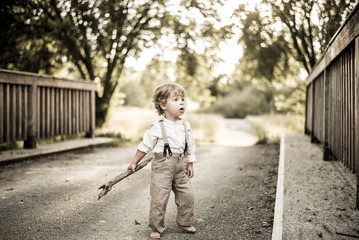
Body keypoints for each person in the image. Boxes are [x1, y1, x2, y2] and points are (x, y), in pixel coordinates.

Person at [127, 83, 196, 239]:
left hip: (181, 164)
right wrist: (134, 162)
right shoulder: (157, 127)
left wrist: (190, 163)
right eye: (176, 99)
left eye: (183, 99)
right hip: (162, 166)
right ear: (163, 104)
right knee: (159, 197)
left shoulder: (186, 125)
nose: (181, 103)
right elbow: (144, 146)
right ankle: (156, 227)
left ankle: (185, 221)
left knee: (187, 195)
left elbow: (190, 145)